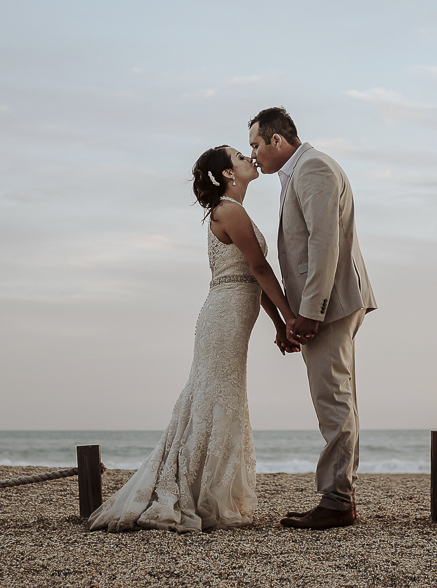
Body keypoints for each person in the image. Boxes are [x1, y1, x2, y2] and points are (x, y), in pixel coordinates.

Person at [88, 145, 298, 533]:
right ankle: (193, 493)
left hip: (233, 312)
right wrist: (291, 317)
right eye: (239, 156)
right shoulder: (228, 210)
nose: (248, 157)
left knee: (218, 397)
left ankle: (206, 490)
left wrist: (278, 325)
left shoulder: (232, 210)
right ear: (228, 174)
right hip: (224, 316)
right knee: (216, 397)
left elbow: (254, 278)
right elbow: (260, 268)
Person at [248, 107, 376, 530]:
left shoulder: (314, 168)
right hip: (331, 303)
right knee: (338, 396)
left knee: (332, 398)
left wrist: (310, 312)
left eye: (256, 145)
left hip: (331, 304)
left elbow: (324, 245)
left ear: (277, 141)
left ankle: (337, 501)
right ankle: (340, 496)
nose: (254, 154)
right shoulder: (301, 171)